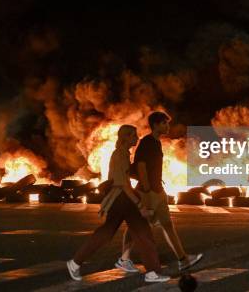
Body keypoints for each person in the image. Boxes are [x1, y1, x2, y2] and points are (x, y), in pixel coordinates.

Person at [67, 124, 170, 283]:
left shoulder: (122, 154)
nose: (137, 138)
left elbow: (125, 178)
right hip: (123, 199)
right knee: (143, 234)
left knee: (107, 233)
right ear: (125, 137)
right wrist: (140, 204)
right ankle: (152, 272)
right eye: (133, 136)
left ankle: (74, 263)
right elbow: (124, 184)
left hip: (118, 199)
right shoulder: (120, 155)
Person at [115, 112, 203, 273]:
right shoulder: (147, 142)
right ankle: (124, 259)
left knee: (167, 225)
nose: (167, 126)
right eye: (164, 123)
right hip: (147, 192)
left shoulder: (156, 143)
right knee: (136, 226)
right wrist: (147, 190)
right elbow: (140, 166)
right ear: (155, 125)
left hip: (158, 191)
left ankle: (183, 260)